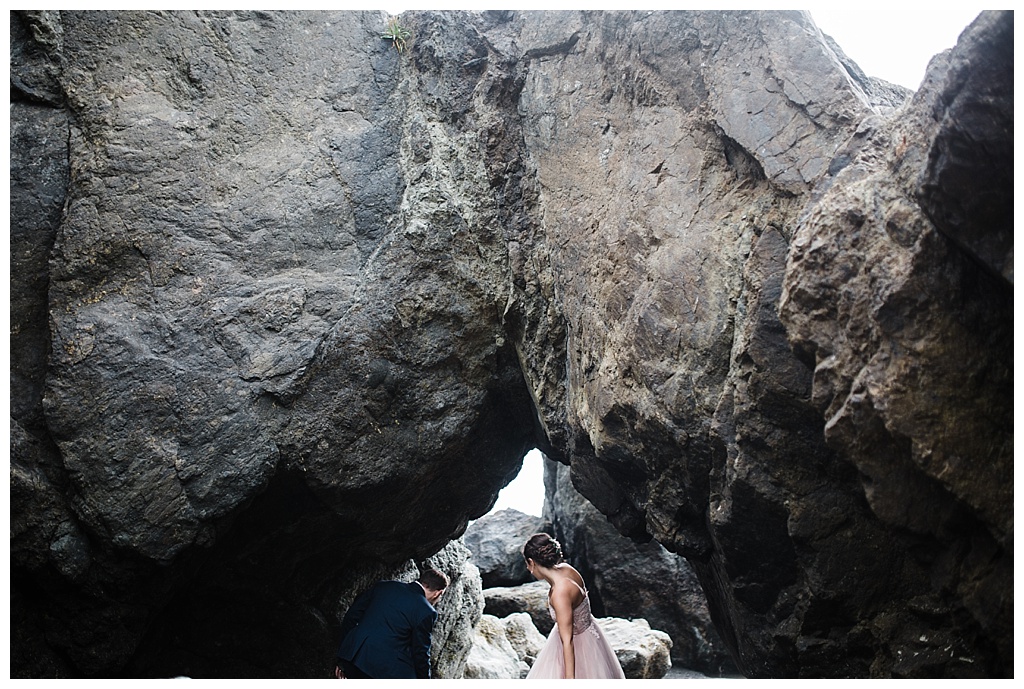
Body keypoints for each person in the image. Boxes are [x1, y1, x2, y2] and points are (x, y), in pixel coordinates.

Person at [523, 533, 625, 679]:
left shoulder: (560, 593)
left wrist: (570, 679)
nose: (527, 568)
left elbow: (567, 641)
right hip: (592, 635)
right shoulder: (567, 569)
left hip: (579, 647)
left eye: (527, 564)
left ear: (532, 563)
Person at [334, 567, 449, 679]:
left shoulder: (384, 586)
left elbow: (351, 617)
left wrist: (343, 656)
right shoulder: (427, 611)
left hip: (354, 657)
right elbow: (420, 652)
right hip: (382, 671)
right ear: (437, 593)